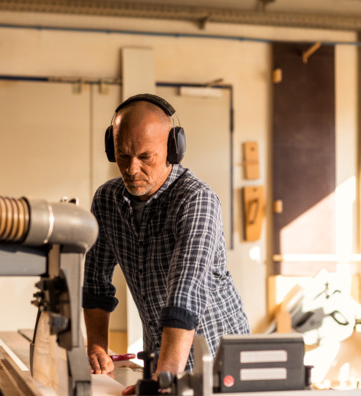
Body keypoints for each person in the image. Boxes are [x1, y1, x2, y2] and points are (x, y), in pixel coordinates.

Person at [82, 93, 250, 390]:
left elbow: (185, 293)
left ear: (173, 149)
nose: (132, 169)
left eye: (145, 157)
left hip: (218, 355)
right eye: (122, 155)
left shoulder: (195, 199)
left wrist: (164, 381)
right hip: (161, 354)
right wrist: (97, 347)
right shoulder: (107, 200)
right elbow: (96, 284)